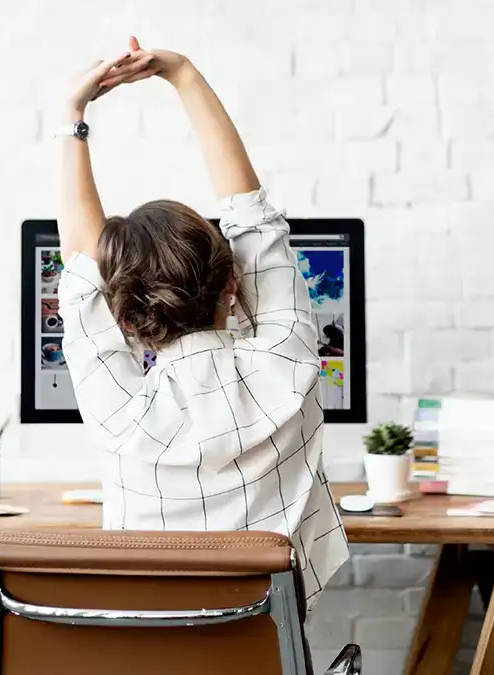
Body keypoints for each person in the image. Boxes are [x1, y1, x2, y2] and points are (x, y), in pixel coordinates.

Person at [54, 37, 348, 606]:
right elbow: (254, 220)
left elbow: (81, 265)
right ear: (233, 283)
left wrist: (72, 116)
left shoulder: (117, 412)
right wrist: (182, 73)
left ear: (125, 315)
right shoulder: (289, 363)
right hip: (266, 661)